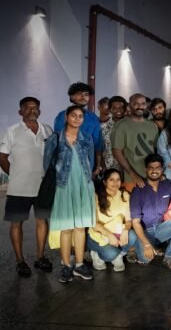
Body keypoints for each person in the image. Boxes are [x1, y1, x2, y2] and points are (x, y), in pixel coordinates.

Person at [0, 97, 54, 277]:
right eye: (27, 107)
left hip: (43, 186)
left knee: (42, 220)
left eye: (35, 107)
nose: (32, 110)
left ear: (40, 111)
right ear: (20, 111)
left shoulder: (47, 130)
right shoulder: (12, 131)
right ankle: (20, 261)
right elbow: (2, 157)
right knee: (17, 222)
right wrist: (15, 174)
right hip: (19, 187)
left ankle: (40, 257)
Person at [44, 105, 96, 283]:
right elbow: (47, 164)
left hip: (83, 185)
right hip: (63, 186)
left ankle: (79, 264)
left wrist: (86, 180)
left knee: (80, 227)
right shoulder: (55, 138)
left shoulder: (87, 138)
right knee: (66, 228)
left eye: (80, 116)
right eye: (73, 115)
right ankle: (66, 265)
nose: (77, 118)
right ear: (66, 117)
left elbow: (91, 161)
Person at [87, 169, 138, 272]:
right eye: (111, 180)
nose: (115, 183)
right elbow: (93, 224)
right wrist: (109, 235)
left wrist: (126, 230)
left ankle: (119, 255)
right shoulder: (96, 196)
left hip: (117, 232)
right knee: (110, 254)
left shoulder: (124, 195)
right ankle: (96, 254)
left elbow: (128, 220)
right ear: (104, 182)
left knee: (132, 236)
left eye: (118, 179)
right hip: (99, 234)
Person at [53, 82, 103, 177]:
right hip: (67, 166)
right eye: (79, 94)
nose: (83, 97)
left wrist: (98, 166)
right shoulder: (62, 116)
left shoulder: (93, 118)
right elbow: (58, 142)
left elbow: (98, 144)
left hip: (88, 165)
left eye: (86, 94)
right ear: (72, 97)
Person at [112, 93, 159, 191]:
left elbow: (155, 150)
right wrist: (132, 174)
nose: (140, 106)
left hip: (151, 177)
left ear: (146, 106)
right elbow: (116, 152)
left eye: (143, 104)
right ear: (129, 106)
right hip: (132, 179)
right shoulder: (121, 125)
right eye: (136, 104)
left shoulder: (152, 125)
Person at [101, 95, 127, 171]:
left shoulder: (130, 126)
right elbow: (99, 149)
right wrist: (102, 166)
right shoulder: (103, 128)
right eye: (114, 108)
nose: (118, 110)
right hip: (109, 168)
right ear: (110, 110)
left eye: (121, 108)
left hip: (128, 169)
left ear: (125, 109)